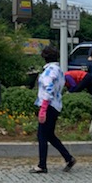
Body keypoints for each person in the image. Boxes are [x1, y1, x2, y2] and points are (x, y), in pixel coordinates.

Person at [31, 46, 76, 174]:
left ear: (44, 57)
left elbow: (48, 88)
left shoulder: (48, 72)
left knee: (42, 135)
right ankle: (68, 158)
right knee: (50, 135)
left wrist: (43, 108)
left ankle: (42, 165)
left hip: (48, 105)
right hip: (56, 105)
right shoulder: (58, 70)